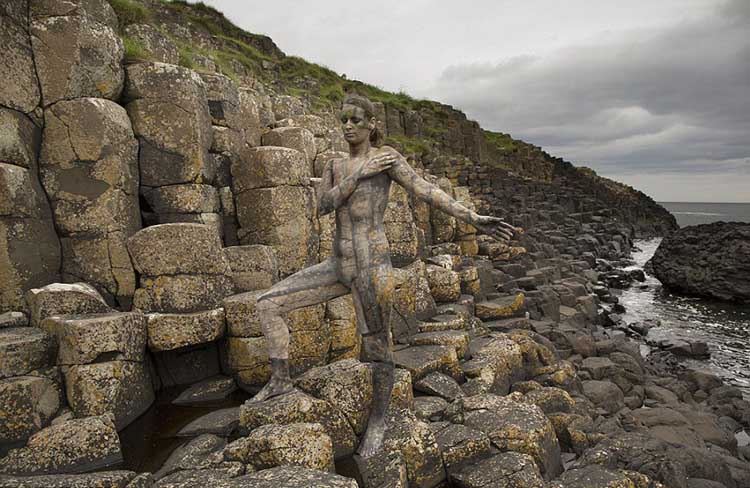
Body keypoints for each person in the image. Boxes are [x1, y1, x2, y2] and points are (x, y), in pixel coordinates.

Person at [254, 94, 515, 457]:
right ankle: (280, 379)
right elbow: (323, 205)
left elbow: (427, 190)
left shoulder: (388, 157)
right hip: (337, 265)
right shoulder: (335, 164)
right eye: (344, 120)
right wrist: (360, 174)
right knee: (267, 304)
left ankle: (379, 420)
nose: (348, 126)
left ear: (372, 125)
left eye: (356, 121)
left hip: (372, 265)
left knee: (378, 350)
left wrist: (471, 217)